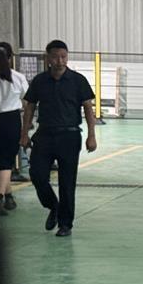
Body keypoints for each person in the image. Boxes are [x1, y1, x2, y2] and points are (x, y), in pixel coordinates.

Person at [21, 40, 96, 238]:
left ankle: (65, 224)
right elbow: (30, 107)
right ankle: (53, 206)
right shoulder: (39, 81)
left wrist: (91, 135)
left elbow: (88, 108)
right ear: (48, 58)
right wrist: (24, 133)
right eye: (55, 57)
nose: (60, 61)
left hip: (69, 136)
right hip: (44, 135)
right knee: (37, 175)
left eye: (63, 56)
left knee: (67, 182)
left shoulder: (78, 80)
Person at [0, 42, 28, 216]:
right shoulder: (18, 77)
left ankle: (9, 197)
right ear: (11, 57)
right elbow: (27, 99)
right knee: (6, 162)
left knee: (3, 161)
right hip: (11, 120)